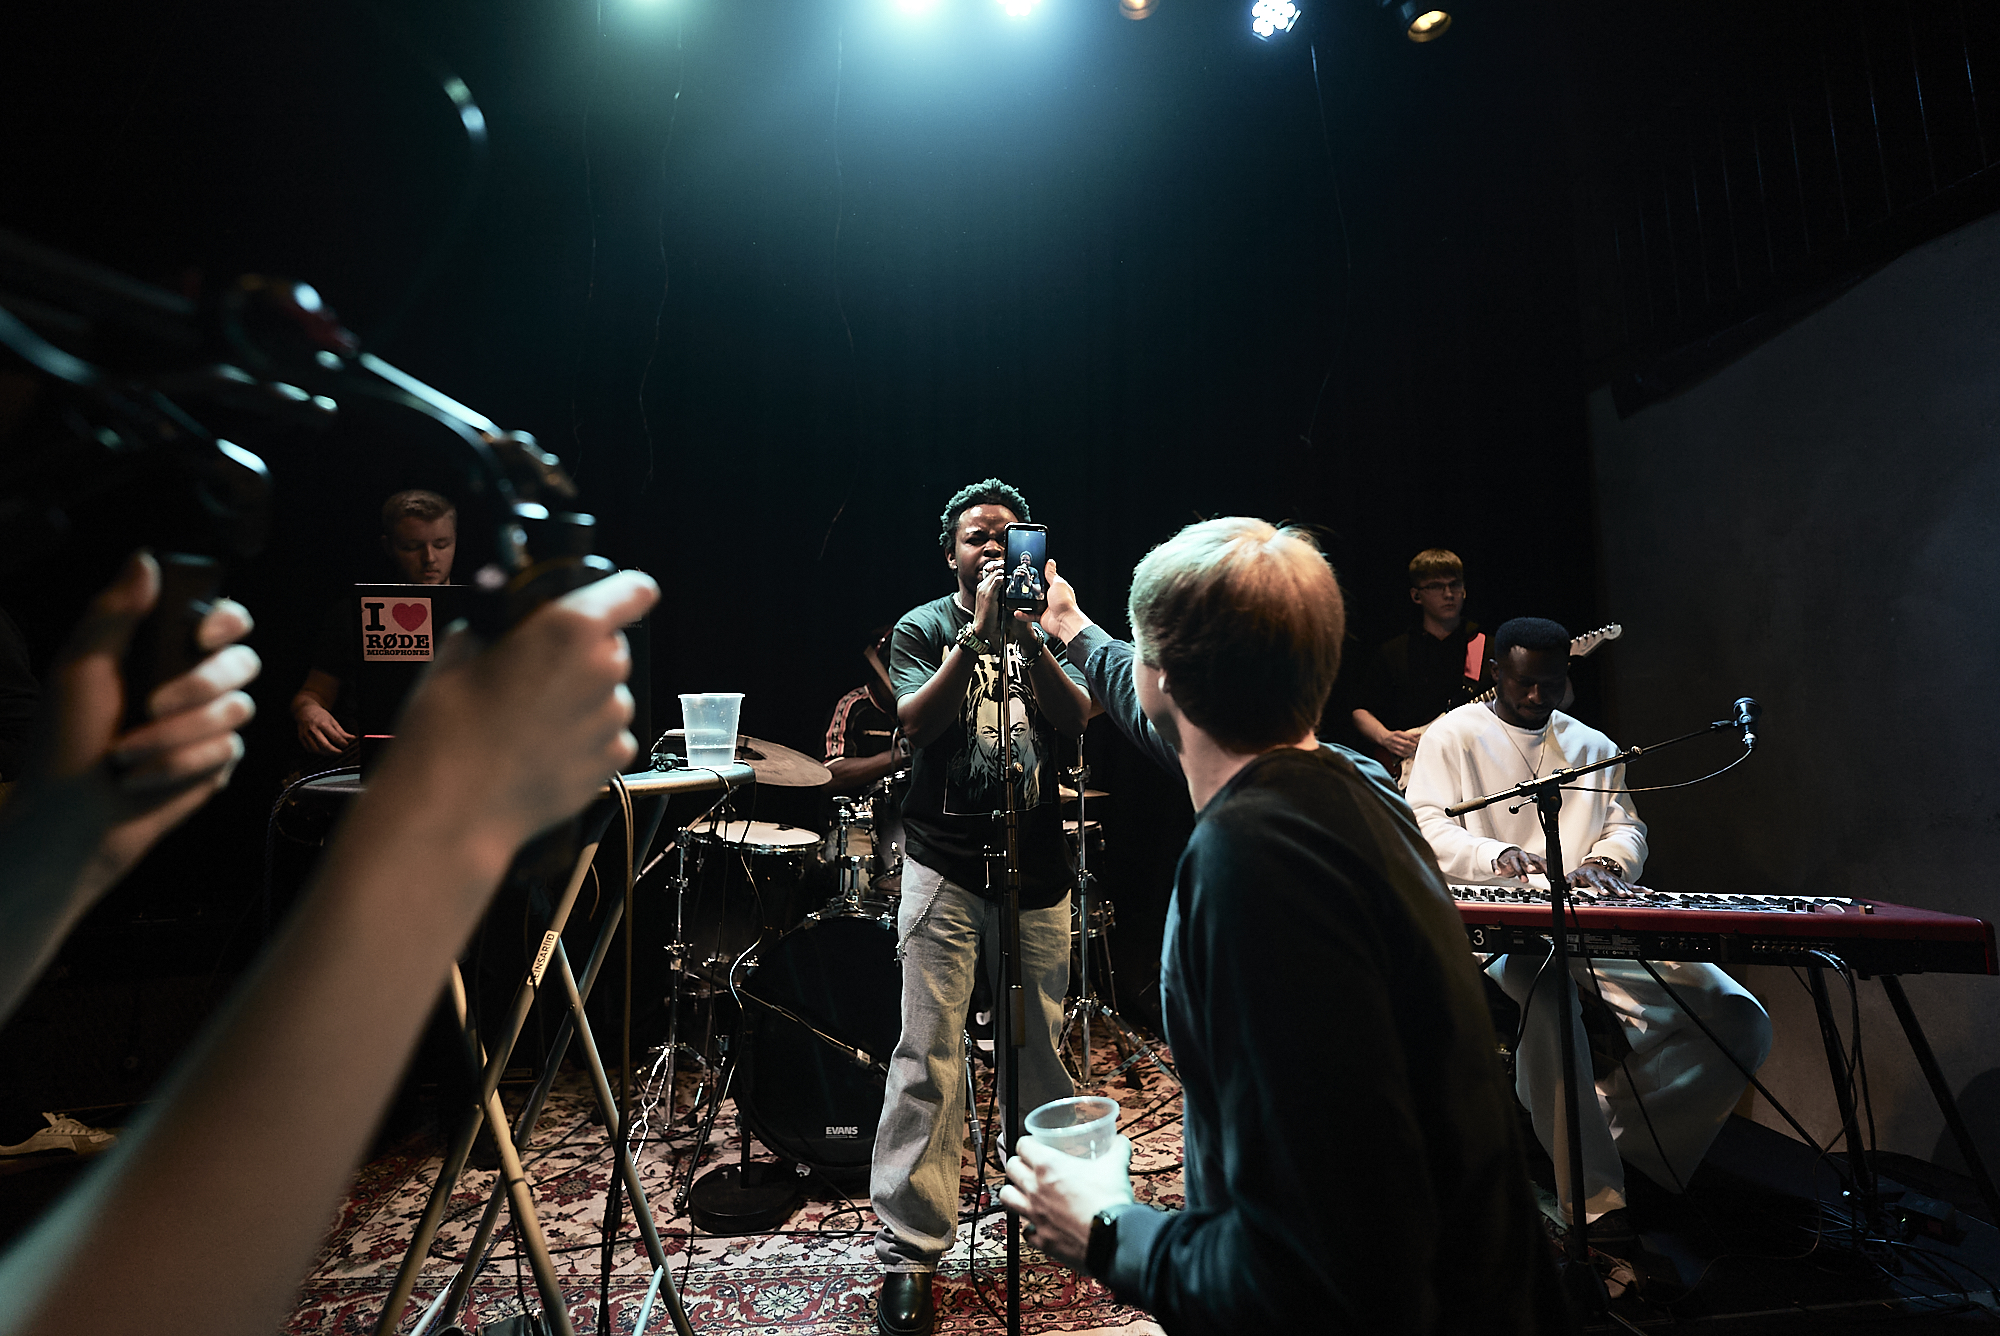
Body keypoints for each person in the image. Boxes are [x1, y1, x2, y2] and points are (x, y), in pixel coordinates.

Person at [0, 549, 658, 1336]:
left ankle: (463, 1106)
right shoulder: (356, 614)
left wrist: (56, 843)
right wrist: (437, 836)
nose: (427, 557)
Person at [1001, 520, 1567, 1334]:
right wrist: (1075, 629)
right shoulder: (1356, 783)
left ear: (1167, 678)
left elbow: (1315, 1271)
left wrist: (1110, 1231)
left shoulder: (1256, 863)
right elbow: (1159, 703)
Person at [1402, 616, 1772, 1256]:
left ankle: (1595, 1133)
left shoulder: (1592, 744)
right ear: (1496, 671)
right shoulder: (1453, 734)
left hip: (1593, 921)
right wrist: (1494, 855)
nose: (1536, 697)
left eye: (1550, 684)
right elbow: (1425, 824)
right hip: (1502, 930)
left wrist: (1608, 861)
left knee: (1738, 1018)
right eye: (1523, 683)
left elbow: (1626, 827)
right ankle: (1595, 1198)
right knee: (1547, 997)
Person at [872, 479, 1091, 1336]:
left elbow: (1079, 718)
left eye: (1008, 535)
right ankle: (910, 1252)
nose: (993, 547)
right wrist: (975, 635)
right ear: (950, 554)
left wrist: (1029, 634)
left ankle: (1047, 1212)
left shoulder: (1055, 624)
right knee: (928, 1055)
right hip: (945, 867)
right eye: (976, 537)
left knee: (1037, 1051)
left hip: (1035, 871)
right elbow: (915, 725)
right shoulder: (923, 627)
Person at [291, 489, 458, 758]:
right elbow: (313, 693)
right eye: (412, 547)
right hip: (374, 763)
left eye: (441, 544)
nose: (429, 558)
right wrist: (309, 711)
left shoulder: (482, 614)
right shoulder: (354, 612)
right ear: (389, 547)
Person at [1349, 548, 1489, 782]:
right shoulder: (1394, 651)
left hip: (1473, 766)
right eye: (1436, 586)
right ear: (1416, 595)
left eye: (1455, 584)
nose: (1448, 594)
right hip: (1410, 772)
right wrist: (1386, 738)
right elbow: (1360, 710)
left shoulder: (1486, 648)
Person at [823, 626, 908, 798]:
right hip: (863, 808)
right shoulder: (853, 705)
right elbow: (831, 775)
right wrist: (902, 754)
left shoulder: (922, 711)